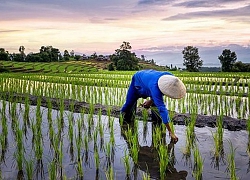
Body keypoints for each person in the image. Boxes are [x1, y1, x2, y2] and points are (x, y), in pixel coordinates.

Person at [120, 69, 186, 143]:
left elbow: (163, 90)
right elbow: (162, 109)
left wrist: (150, 101)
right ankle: (122, 119)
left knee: (156, 108)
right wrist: (171, 132)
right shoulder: (155, 87)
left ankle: (156, 123)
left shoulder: (171, 79)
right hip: (137, 81)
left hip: (149, 81)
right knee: (129, 104)